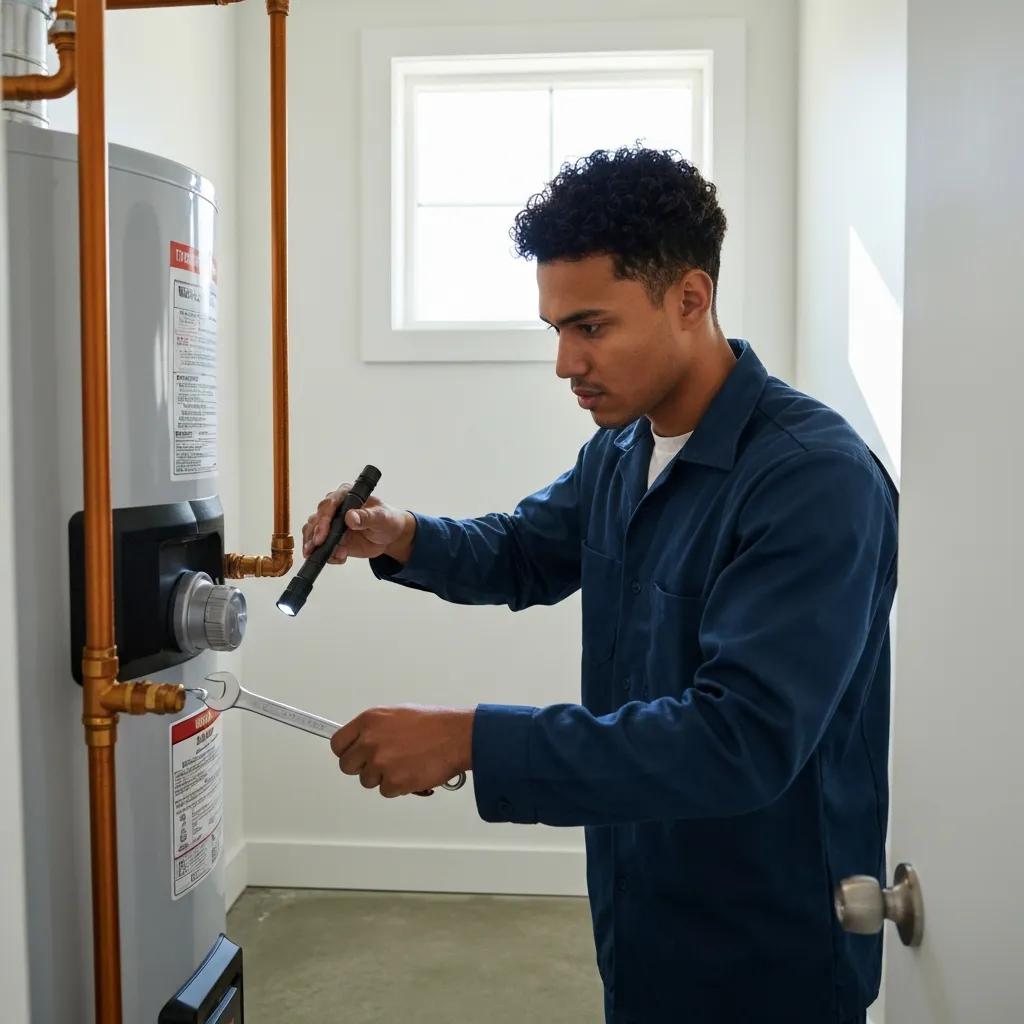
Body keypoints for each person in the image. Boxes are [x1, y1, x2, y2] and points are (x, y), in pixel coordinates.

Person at [303, 147, 898, 1024]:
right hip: (641, 909)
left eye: (592, 327)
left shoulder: (813, 479)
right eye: (556, 330)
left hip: (770, 949)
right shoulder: (623, 448)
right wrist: (402, 537)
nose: (565, 363)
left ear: (689, 299)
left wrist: (473, 740)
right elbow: (525, 550)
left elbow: (742, 738)